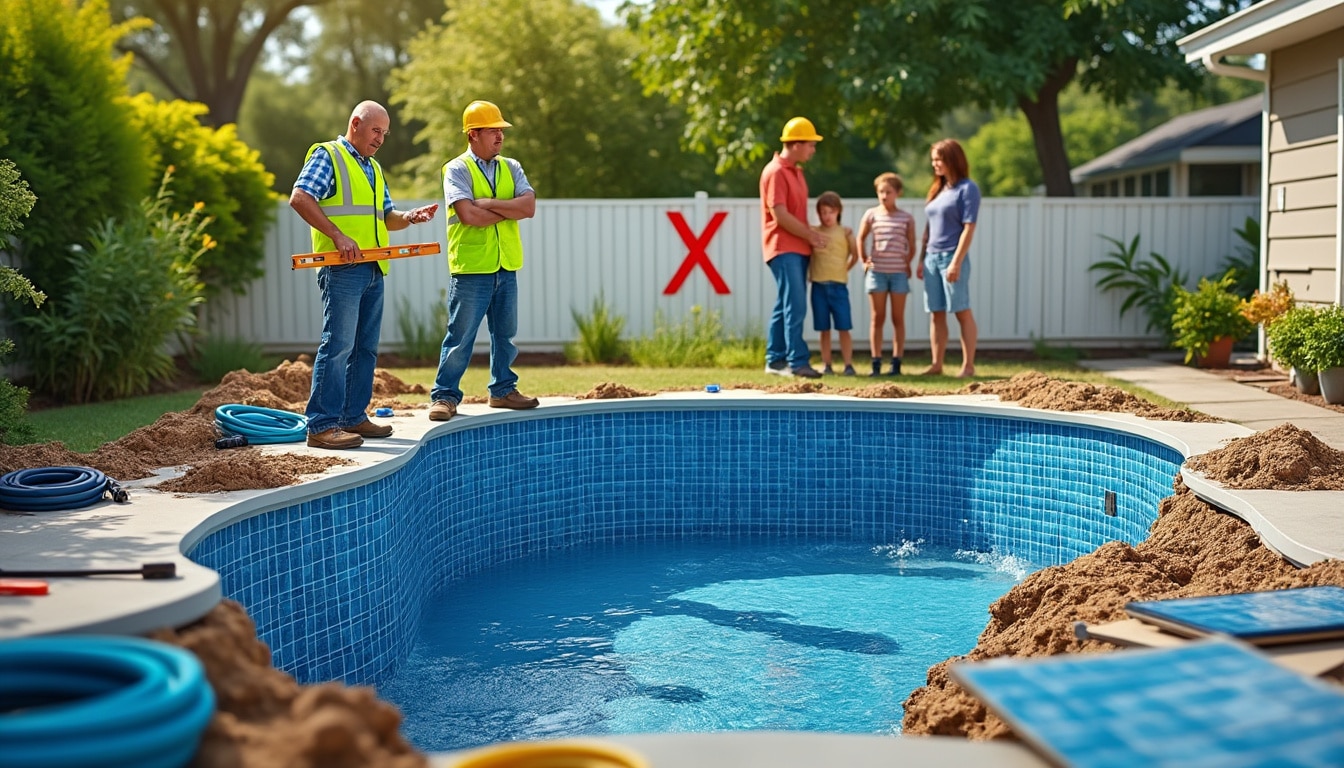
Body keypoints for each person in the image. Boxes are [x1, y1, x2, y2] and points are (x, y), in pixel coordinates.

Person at [290, 101, 439, 450]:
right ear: (356, 123)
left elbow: (387, 216)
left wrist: (410, 217)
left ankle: (352, 416)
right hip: (342, 269)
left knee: (365, 349)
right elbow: (299, 198)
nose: (381, 139)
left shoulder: (372, 167)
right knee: (339, 345)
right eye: (376, 131)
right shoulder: (329, 156)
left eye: (384, 133)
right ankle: (322, 424)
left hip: (374, 268)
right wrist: (338, 235)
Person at [428, 100, 538, 421]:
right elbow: (467, 215)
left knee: (505, 334)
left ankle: (503, 390)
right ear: (473, 134)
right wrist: (508, 208)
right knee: (460, 337)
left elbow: (528, 207)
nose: (500, 137)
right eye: (493, 131)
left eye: (501, 131)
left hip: (506, 266)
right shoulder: (457, 169)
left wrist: (489, 202)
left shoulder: (512, 167)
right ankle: (444, 396)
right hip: (471, 268)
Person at [759, 116, 826, 379]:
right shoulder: (776, 172)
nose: (813, 149)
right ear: (796, 144)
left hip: (796, 249)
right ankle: (797, 362)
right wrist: (811, 236)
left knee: (784, 304)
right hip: (782, 247)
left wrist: (808, 239)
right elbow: (781, 216)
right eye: (811, 144)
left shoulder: (795, 172)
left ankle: (775, 361)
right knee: (795, 305)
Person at [917, 139, 981, 378]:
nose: (934, 164)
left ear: (952, 160)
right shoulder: (938, 189)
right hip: (931, 258)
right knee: (936, 312)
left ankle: (968, 366)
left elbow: (969, 228)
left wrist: (955, 261)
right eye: (933, 159)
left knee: (961, 310)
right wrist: (922, 259)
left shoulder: (968, 189)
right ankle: (937, 364)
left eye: (938, 159)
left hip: (952, 257)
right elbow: (929, 227)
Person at [857, 172, 916, 376]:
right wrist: (864, 260)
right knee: (877, 318)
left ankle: (896, 363)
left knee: (897, 318)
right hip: (877, 273)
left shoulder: (906, 218)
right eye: (881, 192)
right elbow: (861, 238)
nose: (884, 196)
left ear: (897, 193)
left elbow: (912, 243)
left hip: (898, 273)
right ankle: (876, 363)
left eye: (888, 192)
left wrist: (907, 262)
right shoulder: (872, 214)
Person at [809, 191, 858, 375]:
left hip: (838, 285)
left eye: (830, 212)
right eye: (823, 212)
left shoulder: (845, 233)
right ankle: (827, 364)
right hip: (818, 285)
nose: (826, 216)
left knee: (844, 326)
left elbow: (856, 254)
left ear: (838, 212)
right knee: (824, 328)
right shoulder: (813, 232)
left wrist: (846, 268)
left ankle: (848, 364)